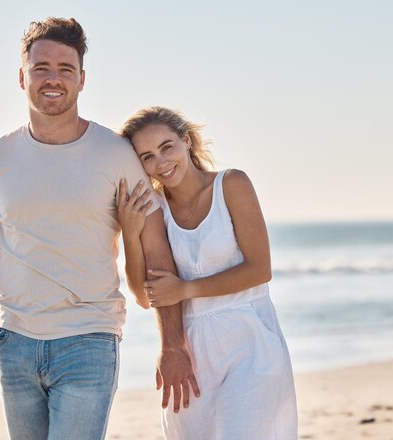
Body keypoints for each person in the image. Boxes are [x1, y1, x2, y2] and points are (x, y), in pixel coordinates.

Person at [0, 19, 199, 440]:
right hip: (14, 342)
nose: (53, 79)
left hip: (89, 340)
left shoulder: (117, 156)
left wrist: (173, 345)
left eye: (66, 69)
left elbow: (157, 254)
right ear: (21, 76)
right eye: (41, 67)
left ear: (82, 80)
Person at [118, 107, 298, 439]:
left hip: (250, 343)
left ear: (186, 141)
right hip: (193, 354)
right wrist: (130, 234)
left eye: (167, 147)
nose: (161, 162)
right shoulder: (154, 208)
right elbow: (146, 296)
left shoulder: (231, 184)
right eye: (147, 156)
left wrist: (185, 289)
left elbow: (260, 270)